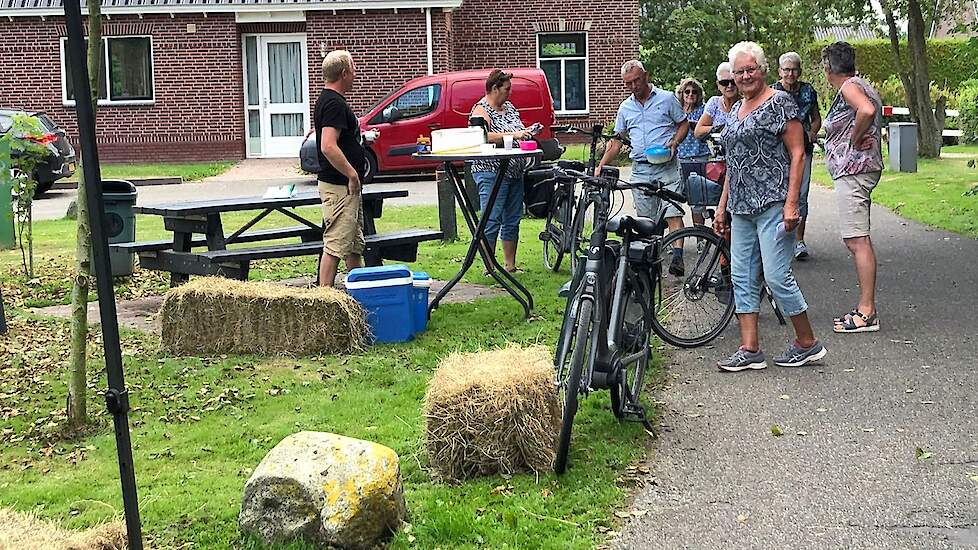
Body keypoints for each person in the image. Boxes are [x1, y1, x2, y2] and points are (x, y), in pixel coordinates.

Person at [713, 41, 827, 372]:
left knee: (776, 276)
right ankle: (750, 349)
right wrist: (722, 206)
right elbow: (733, 163)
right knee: (741, 276)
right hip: (741, 208)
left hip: (774, 204)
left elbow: (798, 153)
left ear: (763, 70)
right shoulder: (736, 109)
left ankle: (807, 342)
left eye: (750, 69)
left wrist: (792, 204)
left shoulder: (780, 103)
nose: (745, 76)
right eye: (739, 72)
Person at [597, 59, 689, 276]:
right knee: (647, 222)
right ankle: (651, 265)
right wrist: (601, 165)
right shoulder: (625, 108)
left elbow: (683, 123)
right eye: (628, 83)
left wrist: (675, 141)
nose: (633, 86)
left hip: (667, 166)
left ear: (646, 76)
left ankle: (677, 258)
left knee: (673, 212)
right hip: (641, 169)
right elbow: (617, 140)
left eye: (637, 80)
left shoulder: (667, 99)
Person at [820, 41, 884, 333]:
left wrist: (855, 139)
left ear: (829, 68)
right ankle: (866, 309)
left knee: (857, 240)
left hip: (855, 171)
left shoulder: (849, 87)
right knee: (857, 239)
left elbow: (866, 111)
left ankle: (867, 312)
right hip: (859, 170)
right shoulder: (861, 84)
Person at [470, 69, 533, 273]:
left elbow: (518, 129)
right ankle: (489, 267)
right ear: (494, 88)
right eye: (507, 89)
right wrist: (515, 135)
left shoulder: (510, 108)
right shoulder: (481, 109)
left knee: (512, 219)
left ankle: (510, 265)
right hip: (491, 171)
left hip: (514, 170)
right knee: (491, 218)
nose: (509, 92)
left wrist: (527, 133)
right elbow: (482, 136)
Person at [315, 50, 365, 287]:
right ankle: (324, 297)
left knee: (353, 244)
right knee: (335, 244)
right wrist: (352, 174)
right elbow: (328, 146)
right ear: (344, 73)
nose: (356, 74)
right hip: (339, 186)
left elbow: (339, 139)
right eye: (353, 69)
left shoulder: (329, 100)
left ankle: (360, 291)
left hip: (345, 188)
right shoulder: (333, 103)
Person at [772, 51, 822, 260]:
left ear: (799, 71)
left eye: (794, 70)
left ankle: (798, 240)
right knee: (779, 194)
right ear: (779, 71)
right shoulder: (772, 92)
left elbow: (816, 117)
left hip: (803, 150)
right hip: (778, 151)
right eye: (786, 70)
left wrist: (812, 132)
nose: (790, 74)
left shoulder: (808, 91)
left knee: (801, 195)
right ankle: (778, 239)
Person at [675, 77, 711, 228]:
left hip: (699, 157)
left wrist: (695, 125)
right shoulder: (676, 111)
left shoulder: (703, 111)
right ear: (681, 94)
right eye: (687, 91)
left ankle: (700, 236)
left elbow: (710, 128)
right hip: (678, 158)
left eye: (694, 92)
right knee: (675, 199)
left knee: (697, 201)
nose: (690, 94)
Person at [694, 62, 739, 138]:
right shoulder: (714, 103)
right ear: (718, 85)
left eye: (733, 82)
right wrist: (718, 128)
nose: (730, 86)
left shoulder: (745, 102)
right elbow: (698, 132)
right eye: (724, 82)